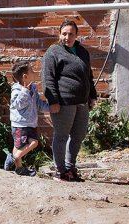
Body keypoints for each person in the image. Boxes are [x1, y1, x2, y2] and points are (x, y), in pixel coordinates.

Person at [42, 20, 97, 182]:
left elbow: (89, 76)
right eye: (64, 33)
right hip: (63, 103)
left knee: (78, 136)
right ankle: (60, 171)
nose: (67, 37)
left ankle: (70, 167)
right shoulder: (53, 52)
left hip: (82, 102)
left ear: (76, 35)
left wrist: (92, 95)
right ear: (59, 34)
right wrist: (52, 101)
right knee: (61, 136)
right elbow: (47, 78)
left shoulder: (82, 51)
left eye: (71, 34)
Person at [4, 61, 49, 176]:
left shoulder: (33, 87)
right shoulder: (17, 90)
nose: (34, 72)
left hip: (30, 123)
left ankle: (18, 167)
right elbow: (18, 104)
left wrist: (50, 108)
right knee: (32, 143)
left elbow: (38, 103)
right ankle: (14, 158)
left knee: (19, 146)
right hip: (20, 125)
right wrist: (25, 91)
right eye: (32, 71)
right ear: (25, 77)